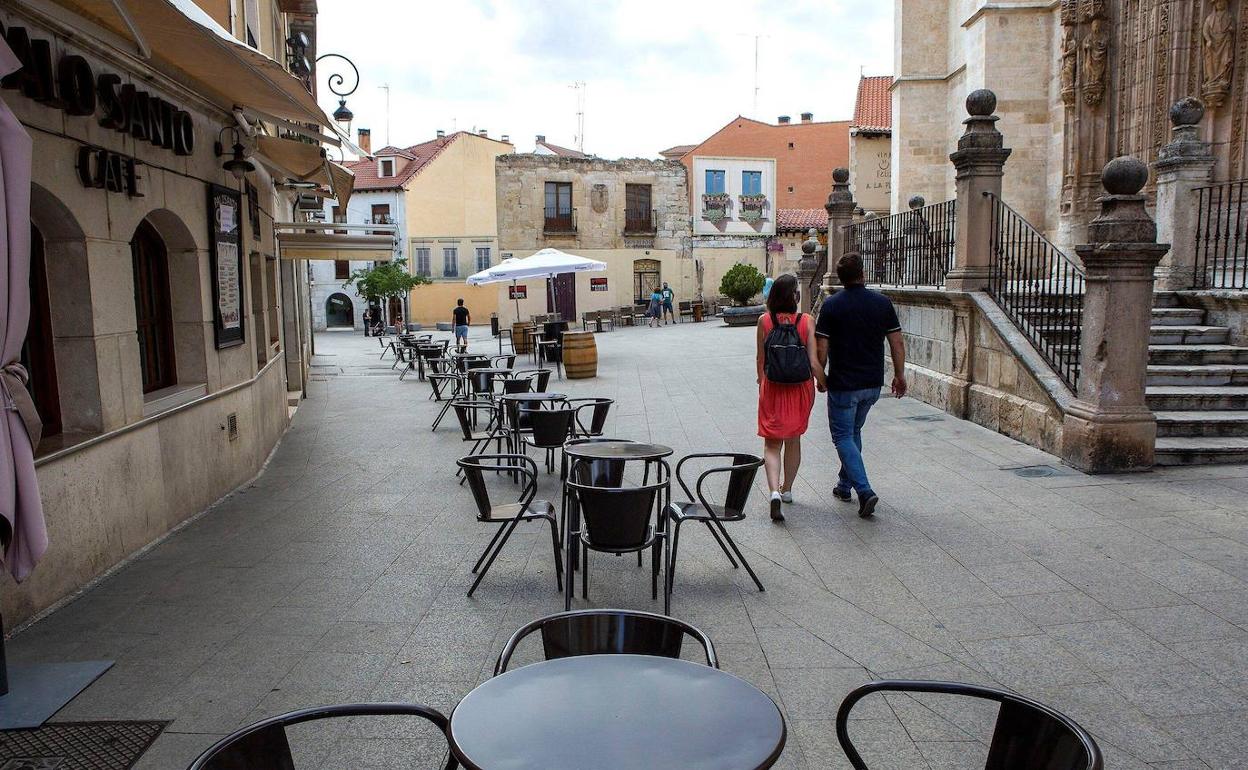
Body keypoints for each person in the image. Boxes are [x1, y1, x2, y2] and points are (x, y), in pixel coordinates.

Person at [815, 254, 906, 518]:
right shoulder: (881, 303)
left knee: (843, 436)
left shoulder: (831, 305)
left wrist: (821, 376)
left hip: (844, 383)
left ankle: (864, 491)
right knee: (853, 432)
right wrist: (899, 375)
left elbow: (822, 347)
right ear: (863, 273)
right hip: (872, 383)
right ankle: (844, 485)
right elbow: (896, 342)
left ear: (841, 278)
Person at [756, 274, 826, 522]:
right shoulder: (806, 321)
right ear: (794, 296)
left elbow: (760, 361)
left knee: (772, 443)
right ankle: (787, 490)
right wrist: (823, 382)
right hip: (799, 389)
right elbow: (814, 361)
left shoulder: (765, 321)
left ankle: (773, 491)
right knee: (793, 441)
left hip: (772, 387)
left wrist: (762, 384)